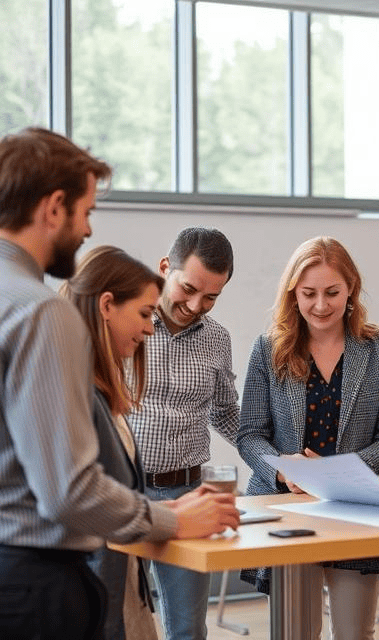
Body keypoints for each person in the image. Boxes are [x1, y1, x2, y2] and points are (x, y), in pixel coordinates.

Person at [0, 127, 239, 640]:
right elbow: (69, 491)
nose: (87, 231)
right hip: (32, 578)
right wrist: (171, 521)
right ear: (55, 206)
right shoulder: (41, 313)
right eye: (85, 212)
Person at [237, 236, 379, 640]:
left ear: (351, 288)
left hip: (356, 509)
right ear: (293, 294)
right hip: (286, 508)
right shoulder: (268, 350)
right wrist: (285, 470)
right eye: (308, 293)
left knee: (354, 634)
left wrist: (337, 473)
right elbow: (250, 434)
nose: (320, 305)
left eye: (332, 292)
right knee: (295, 633)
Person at [128, 226, 240, 640]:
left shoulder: (217, 339)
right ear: (164, 268)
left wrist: (277, 460)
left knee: (189, 629)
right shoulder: (126, 324)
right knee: (119, 621)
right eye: (188, 288)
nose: (196, 305)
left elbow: (227, 413)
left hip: (189, 495)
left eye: (211, 297)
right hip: (125, 492)